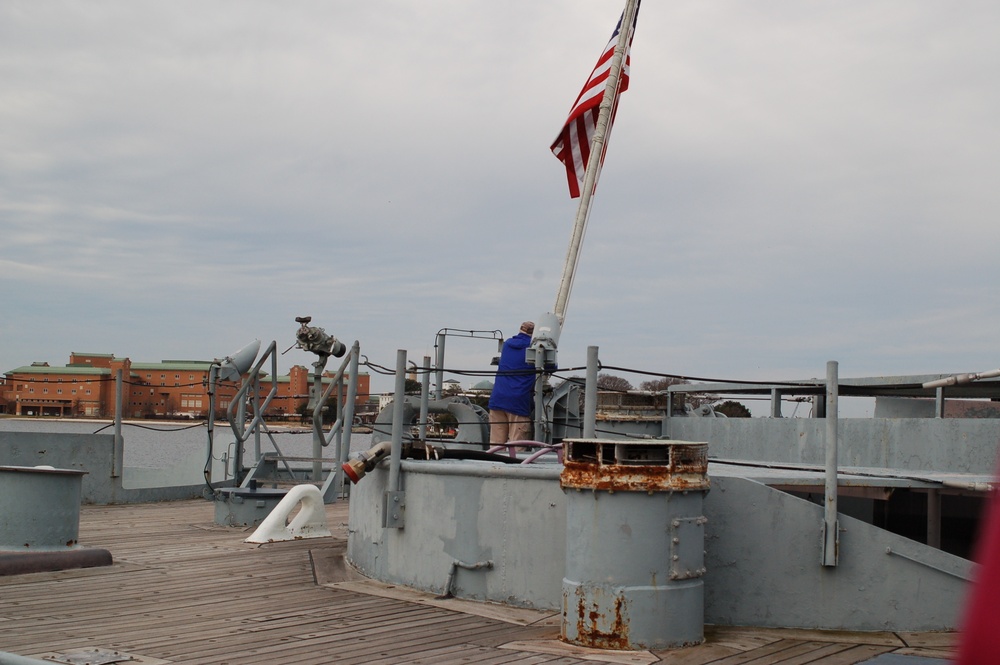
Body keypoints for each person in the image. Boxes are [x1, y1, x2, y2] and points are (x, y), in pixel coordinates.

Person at [488, 321, 535, 444]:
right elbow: (552, 366)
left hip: (497, 399)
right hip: (518, 402)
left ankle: (493, 463)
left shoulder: (507, 344)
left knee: (496, 445)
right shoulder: (533, 348)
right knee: (517, 446)